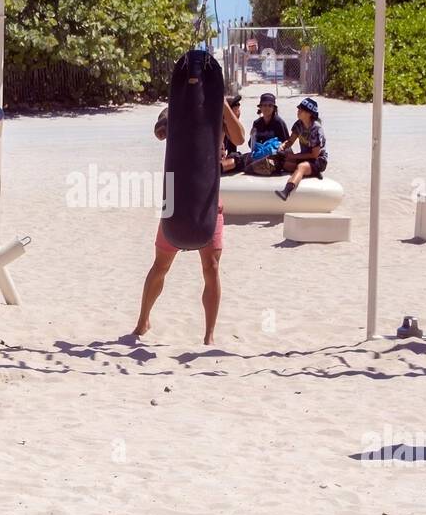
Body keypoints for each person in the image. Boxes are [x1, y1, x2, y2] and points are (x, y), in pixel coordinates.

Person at [136, 96, 247, 345]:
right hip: (177, 199)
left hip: (208, 198)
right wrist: (178, 113)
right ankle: (143, 321)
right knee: (161, 265)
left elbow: (240, 138)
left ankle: (209, 335)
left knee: (212, 268)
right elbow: (160, 132)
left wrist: (223, 105)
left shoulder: (220, 111)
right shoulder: (177, 104)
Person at [274, 97, 328, 201]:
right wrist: (283, 146)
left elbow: (314, 155)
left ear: (309, 113)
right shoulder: (298, 125)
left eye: (301, 110)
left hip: (318, 161)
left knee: (301, 167)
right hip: (305, 158)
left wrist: (293, 156)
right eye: (298, 109)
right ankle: (308, 173)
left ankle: (286, 192)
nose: (298, 111)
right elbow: (290, 141)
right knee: (283, 163)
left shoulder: (316, 129)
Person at [220, 94, 245, 174]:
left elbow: (239, 141)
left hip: (216, 165)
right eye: (235, 105)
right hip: (209, 167)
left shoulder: (229, 128)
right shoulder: (216, 125)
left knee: (237, 157)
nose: (239, 109)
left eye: (239, 105)